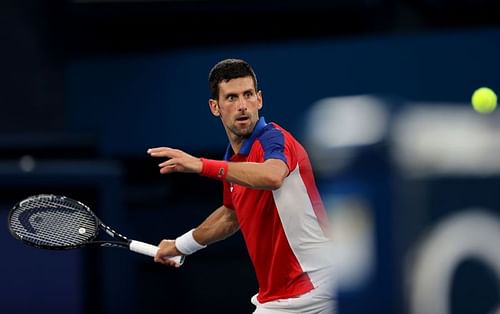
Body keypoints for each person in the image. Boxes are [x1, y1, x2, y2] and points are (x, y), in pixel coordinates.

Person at [147, 58, 335, 313]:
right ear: (215, 107)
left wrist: (201, 166)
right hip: (279, 299)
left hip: (320, 289)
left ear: (260, 99)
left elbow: (272, 176)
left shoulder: (274, 139)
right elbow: (231, 215)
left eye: (248, 95)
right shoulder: (234, 161)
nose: (242, 106)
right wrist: (179, 246)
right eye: (232, 98)